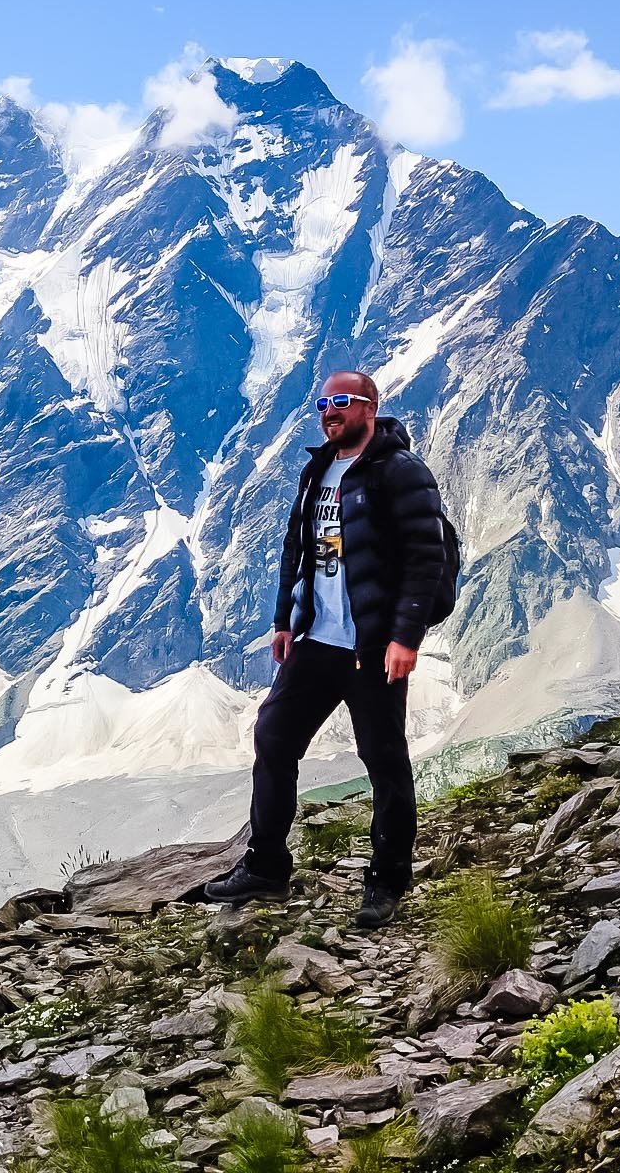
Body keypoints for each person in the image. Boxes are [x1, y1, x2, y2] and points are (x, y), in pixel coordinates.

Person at [203, 369, 451, 929]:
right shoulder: (318, 469)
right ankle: (266, 866)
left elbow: (425, 556)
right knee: (273, 737)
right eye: (323, 403)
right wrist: (284, 620)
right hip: (315, 640)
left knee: (384, 760)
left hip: (371, 647)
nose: (329, 411)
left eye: (341, 401)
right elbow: (298, 548)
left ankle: (387, 881)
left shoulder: (400, 470)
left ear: (369, 407)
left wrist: (405, 637)